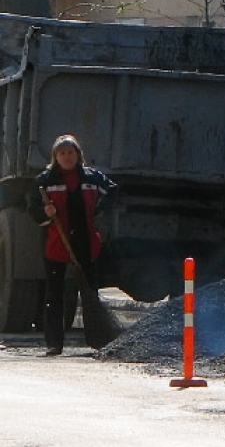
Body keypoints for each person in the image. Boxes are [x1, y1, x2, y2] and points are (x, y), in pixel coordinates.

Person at [28, 134, 118, 357]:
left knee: (89, 291)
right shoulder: (45, 181)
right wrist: (45, 213)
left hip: (86, 242)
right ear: (55, 157)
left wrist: (97, 208)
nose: (67, 157)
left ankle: (98, 340)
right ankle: (54, 344)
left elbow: (113, 192)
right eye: (62, 153)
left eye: (71, 152)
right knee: (54, 294)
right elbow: (32, 209)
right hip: (56, 242)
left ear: (78, 155)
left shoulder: (92, 177)